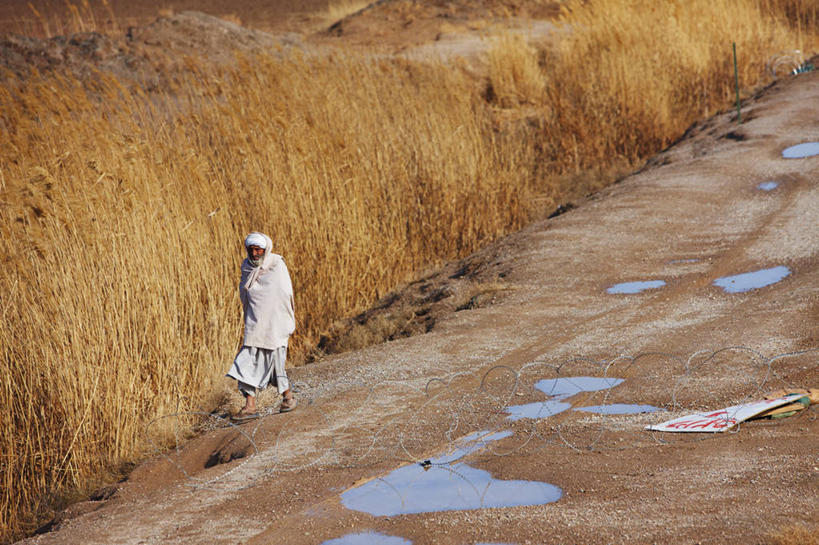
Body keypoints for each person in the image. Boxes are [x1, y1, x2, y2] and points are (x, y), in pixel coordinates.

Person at [226, 232, 296, 420]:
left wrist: (279, 320)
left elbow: (283, 295)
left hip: (274, 325)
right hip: (255, 324)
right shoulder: (247, 267)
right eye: (251, 250)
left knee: (276, 364)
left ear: (266, 249)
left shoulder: (276, 265)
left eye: (258, 250)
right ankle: (251, 406)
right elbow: (247, 293)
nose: (255, 253)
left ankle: (287, 397)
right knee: (247, 361)